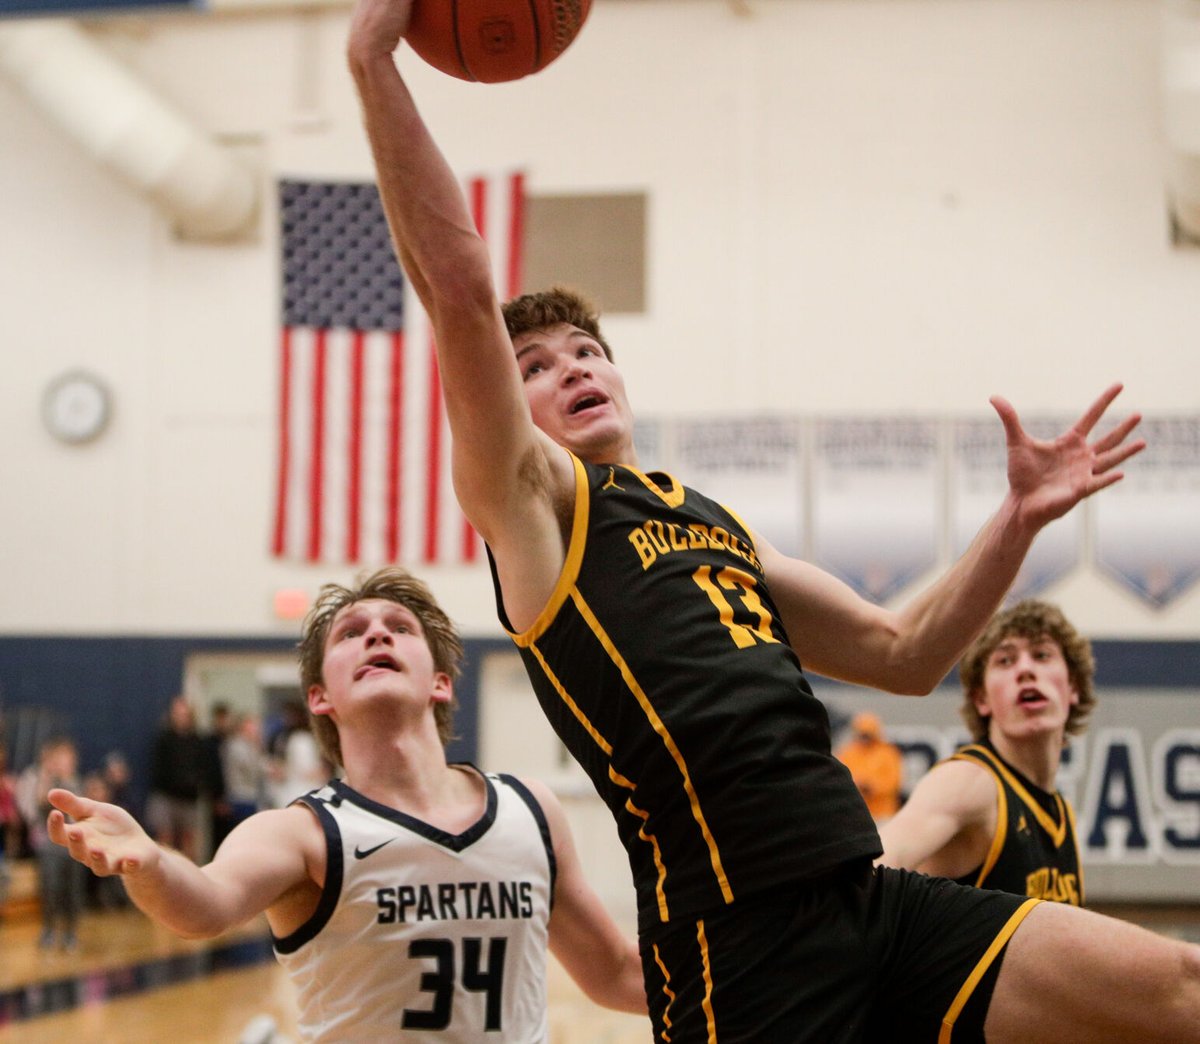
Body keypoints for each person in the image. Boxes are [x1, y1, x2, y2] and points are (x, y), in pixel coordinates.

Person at [344, 2, 1200, 1039]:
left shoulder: (715, 524)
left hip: (869, 899)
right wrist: (372, 56)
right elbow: (460, 291)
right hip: (737, 943)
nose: (570, 368)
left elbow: (904, 651)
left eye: (585, 350)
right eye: (533, 367)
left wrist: (1014, 520)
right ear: (501, 412)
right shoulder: (534, 510)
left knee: (1177, 990)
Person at [47, 566, 645, 1041]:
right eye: (351, 633)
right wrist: (150, 864)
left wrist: (735, 989)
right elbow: (204, 904)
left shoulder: (531, 811)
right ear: (321, 696)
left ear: (440, 681)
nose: (377, 633)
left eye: (399, 627)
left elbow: (616, 972)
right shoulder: (301, 833)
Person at [879, 600, 1094, 906]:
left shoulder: (1062, 815)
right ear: (982, 699)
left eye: (1041, 655)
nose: (1025, 670)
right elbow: (870, 871)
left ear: (1073, 686)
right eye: (1005, 661)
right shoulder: (969, 781)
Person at [17, 736, 86, 949]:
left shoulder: (73, 781)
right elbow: (33, 809)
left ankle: (70, 932)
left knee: (73, 891)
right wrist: (46, 777)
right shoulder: (36, 778)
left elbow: (80, 814)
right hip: (48, 846)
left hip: (72, 845)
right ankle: (48, 929)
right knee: (50, 888)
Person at [145, 695, 206, 861]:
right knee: (164, 840)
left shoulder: (197, 741)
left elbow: (202, 768)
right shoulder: (164, 739)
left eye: (184, 713)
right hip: (166, 796)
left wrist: (194, 784)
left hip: (189, 798)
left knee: (190, 840)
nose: (181, 717)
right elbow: (158, 768)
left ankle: (189, 880)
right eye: (178, 713)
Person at [835, 711, 905, 822]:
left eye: (867, 734)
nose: (864, 738)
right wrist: (858, 784)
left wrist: (871, 786)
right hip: (855, 813)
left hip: (882, 814)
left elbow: (894, 782)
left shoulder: (888, 753)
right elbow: (838, 779)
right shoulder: (848, 752)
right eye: (862, 734)